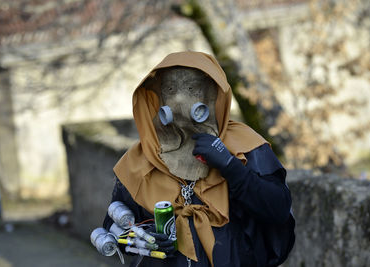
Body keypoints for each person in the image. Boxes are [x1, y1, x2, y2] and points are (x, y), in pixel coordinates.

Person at [102, 51, 295, 267]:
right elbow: (113, 225)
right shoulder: (141, 159)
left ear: (211, 94)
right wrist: (143, 240)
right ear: (159, 97)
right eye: (170, 89)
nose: (179, 100)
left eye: (192, 88)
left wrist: (231, 166)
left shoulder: (246, 147)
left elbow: (278, 210)